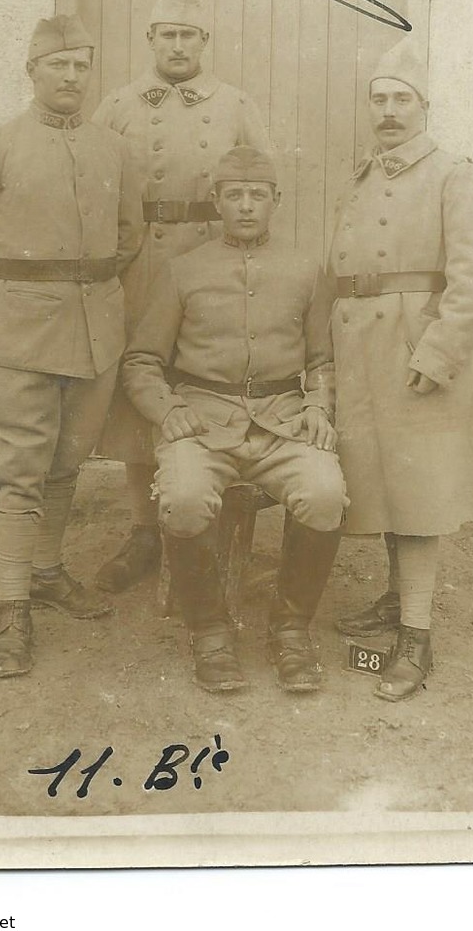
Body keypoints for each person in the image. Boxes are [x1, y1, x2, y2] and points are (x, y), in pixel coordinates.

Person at [0, 15, 143, 678]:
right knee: (19, 468)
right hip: (17, 336)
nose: (72, 77)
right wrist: (4, 301)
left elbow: (130, 233)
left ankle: (47, 571)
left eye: (82, 65)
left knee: (66, 460)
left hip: (96, 333)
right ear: (32, 72)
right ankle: (12, 604)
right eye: (59, 65)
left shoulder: (114, 149)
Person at [122, 146, 347, 694]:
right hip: (201, 421)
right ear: (217, 201)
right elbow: (141, 361)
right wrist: (167, 409)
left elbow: (322, 360)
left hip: (284, 422)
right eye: (234, 195)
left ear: (275, 201)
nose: (246, 206)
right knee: (183, 500)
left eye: (257, 195)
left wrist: (318, 405)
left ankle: (290, 630)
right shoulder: (184, 270)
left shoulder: (305, 270)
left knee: (324, 494)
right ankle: (211, 632)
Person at [327, 38, 473, 701]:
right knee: (383, 482)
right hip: (360, 351)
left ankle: (416, 633)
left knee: (420, 491)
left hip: (413, 351)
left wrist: (437, 351)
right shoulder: (363, 175)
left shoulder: (453, 174)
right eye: (379, 99)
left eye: (401, 99)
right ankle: (395, 597)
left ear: (423, 105)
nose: (389, 111)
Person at [91, 0, 270, 594]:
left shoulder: (234, 105)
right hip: (140, 263)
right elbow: (92, 188)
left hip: (210, 261)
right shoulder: (117, 106)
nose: (176, 45)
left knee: (207, 380)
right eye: (166, 34)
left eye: (187, 35)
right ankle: (146, 528)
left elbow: (263, 185)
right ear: (150, 40)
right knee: (141, 389)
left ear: (204, 42)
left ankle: (202, 516)